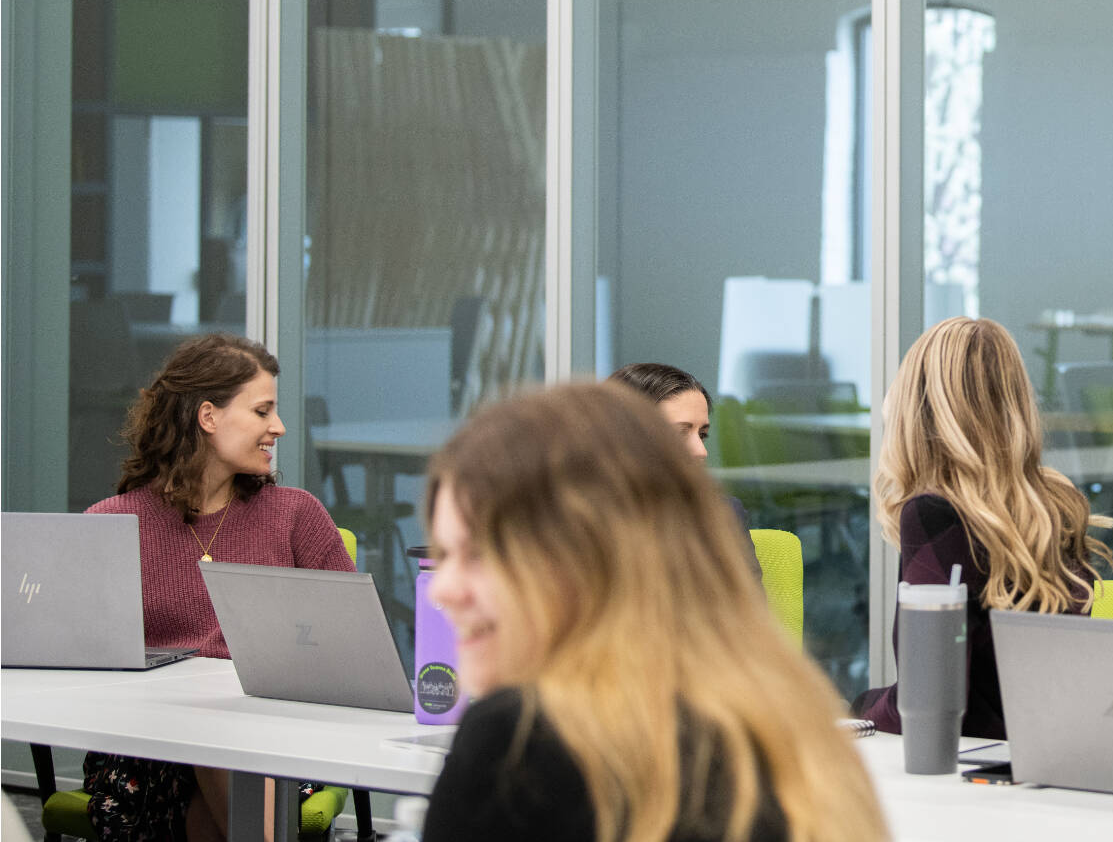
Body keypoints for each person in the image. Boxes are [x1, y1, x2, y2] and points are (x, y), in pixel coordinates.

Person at [421, 382, 886, 842]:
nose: (442, 589)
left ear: (580, 557)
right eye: (444, 554)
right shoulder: (787, 719)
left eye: (479, 554)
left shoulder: (519, 739)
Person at [82, 333, 354, 842]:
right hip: (148, 746)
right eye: (262, 411)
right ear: (209, 417)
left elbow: (355, 652)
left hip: (273, 740)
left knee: (224, 753)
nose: (279, 427)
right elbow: (83, 667)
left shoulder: (296, 515)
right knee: (211, 744)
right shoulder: (111, 526)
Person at [852, 317, 1112, 738]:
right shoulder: (1053, 508)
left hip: (972, 768)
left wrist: (856, 707)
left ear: (916, 404)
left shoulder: (933, 514)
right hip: (1052, 753)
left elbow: (926, 701)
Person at [608, 361, 755, 544]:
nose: (701, 451)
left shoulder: (722, 513)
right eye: (680, 433)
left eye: (702, 435)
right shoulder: (578, 519)